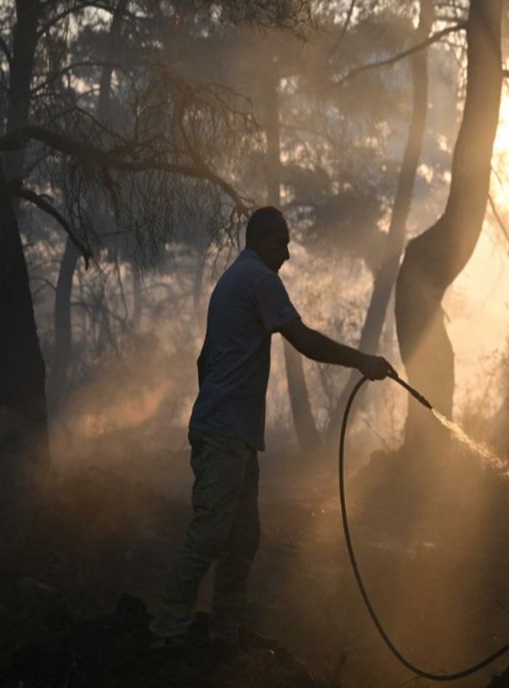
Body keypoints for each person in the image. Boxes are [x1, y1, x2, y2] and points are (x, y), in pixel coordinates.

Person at [150, 206, 394, 650]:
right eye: (281, 242)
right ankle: (167, 628)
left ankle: (224, 631)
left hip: (232, 432)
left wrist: (218, 409)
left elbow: (205, 360)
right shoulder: (259, 278)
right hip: (225, 434)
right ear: (260, 240)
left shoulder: (233, 281)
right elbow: (301, 339)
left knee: (242, 539)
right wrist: (363, 361)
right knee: (209, 533)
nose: (287, 252)